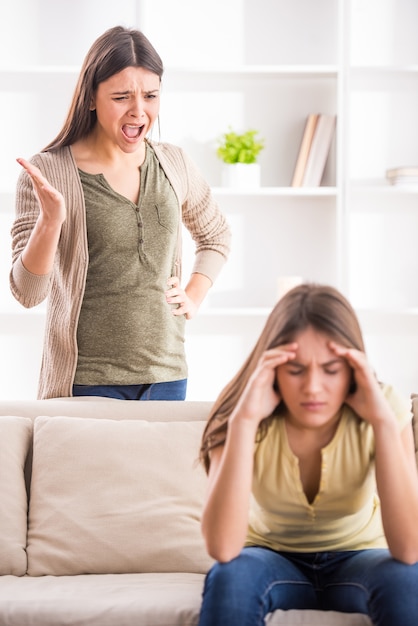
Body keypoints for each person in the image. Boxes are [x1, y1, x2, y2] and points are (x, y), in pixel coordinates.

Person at [10, 26, 230, 401]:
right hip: (85, 382)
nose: (139, 111)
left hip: (167, 376)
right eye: (121, 97)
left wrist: (193, 293)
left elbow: (216, 236)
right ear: (91, 98)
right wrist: (50, 223)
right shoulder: (48, 173)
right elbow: (28, 293)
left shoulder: (173, 163)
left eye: (151, 96)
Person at [198, 283, 418, 626]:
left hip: (362, 556)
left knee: (408, 582)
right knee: (231, 578)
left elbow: (409, 550)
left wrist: (383, 424)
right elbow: (223, 549)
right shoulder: (240, 413)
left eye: (331, 369)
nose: (313, 387)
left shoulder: (384, 406)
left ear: (351, 369)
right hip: (269, 558)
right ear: (272, 370)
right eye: (296, 370)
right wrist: (243, 422)